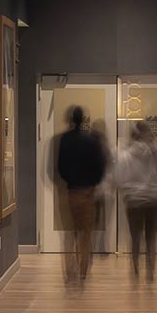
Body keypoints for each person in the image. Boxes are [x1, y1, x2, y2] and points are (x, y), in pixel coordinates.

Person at [52, 105, 109, 286]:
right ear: (83, 119)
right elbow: (101, 168)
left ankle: (70, 271)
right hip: (88, 192)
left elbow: (59, 167)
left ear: (70, 120)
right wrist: (92, 183)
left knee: (70, 233)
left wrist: (68, 180)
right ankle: (83, 271)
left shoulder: (64, 140)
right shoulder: (92, 141)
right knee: (86, 234)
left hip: (70, 191)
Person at [115, 120, 157, 282]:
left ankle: (135, 271)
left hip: (134, 202)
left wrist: (127, 190)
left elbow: (119, 179)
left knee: (135, 238)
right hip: (154, 200)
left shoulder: (125, 155)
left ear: (133, 136)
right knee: (151, 237)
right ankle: (151, 272)